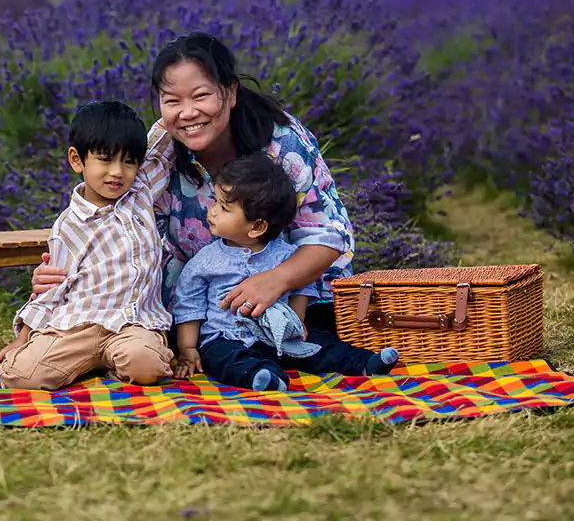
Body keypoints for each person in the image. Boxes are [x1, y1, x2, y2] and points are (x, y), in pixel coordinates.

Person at [31, 30, 356, 349]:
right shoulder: (160, 153)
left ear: (229, 93)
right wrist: (64, 275)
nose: (187, 113)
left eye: (201, 96)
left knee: (317, 342)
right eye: (172, 101)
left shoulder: (281, 144)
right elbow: (117, 229)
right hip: (203, 300)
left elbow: (328, 235)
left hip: (294, 296)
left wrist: (277, 279)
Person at [172, 153, 398, 391]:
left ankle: (364, 363)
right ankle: (261, 376)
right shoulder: (205, 261)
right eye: (216, 201)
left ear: (257, 227)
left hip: (276, 334)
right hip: (224, 336)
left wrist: (297, 321)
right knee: (223, 359)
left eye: (224, 208)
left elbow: (302, 284)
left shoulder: (285, 255)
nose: (213, 211)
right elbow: (189, 303)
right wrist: (188, 347)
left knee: (320, 344)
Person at [0, 100, 175, 390]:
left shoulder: (140, 193)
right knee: (22, 376)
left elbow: (161, 145)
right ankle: (82, 359)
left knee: (148, 366)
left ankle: (115, 362)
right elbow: (51, 288)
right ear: (77, 160)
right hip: (78, 326)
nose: (117, 172)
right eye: (105, 159)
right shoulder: (69, 226)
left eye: (128, 161)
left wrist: (177, 108)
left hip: (132, 325)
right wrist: (22, 337)